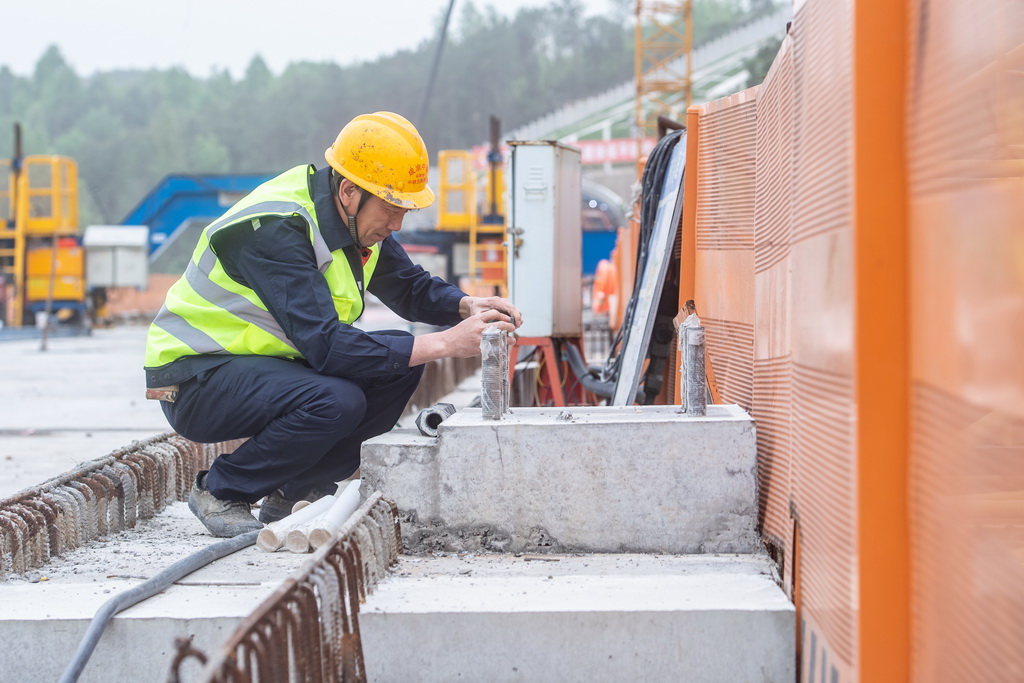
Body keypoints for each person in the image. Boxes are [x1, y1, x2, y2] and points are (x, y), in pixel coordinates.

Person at [143, 111, 521, 537]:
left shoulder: (356, 223)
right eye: (391, 209)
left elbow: (409, 288)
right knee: (337, 399)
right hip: (196, 378)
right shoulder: (275, 229)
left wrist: (467, 306)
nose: (396, 225)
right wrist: (447, 344)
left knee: (397, 367)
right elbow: (326, 346)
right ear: (348, 192)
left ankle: (293, 492)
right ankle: (223, 489)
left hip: (261, 367)